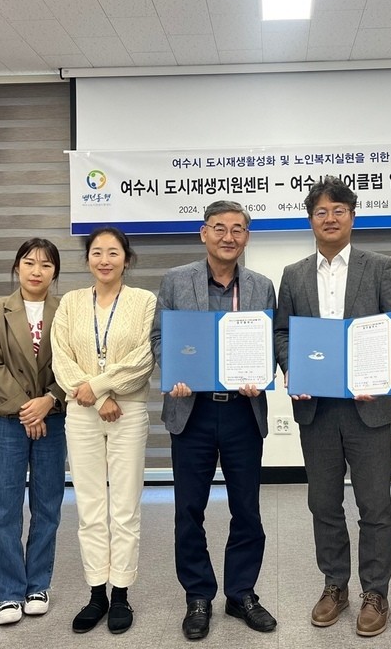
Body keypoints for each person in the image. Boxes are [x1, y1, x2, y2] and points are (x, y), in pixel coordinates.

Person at [273, 177, 391, 638]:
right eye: (321, 212)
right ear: (310, 219)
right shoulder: (294, 274)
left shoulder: (380, 266)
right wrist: (294, 367)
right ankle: (335, 585)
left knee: (375, 504)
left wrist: (375, 369)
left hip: (366, 407)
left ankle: (376, 592)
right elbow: (283, 332)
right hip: (317, 408)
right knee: (323, 503)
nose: (330, 218)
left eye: (339, 210)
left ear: (352, 216)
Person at [151, 200, 278, 641]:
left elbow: (269, 340)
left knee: (247, 509)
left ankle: (241, 593)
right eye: (219, 228)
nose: (229, 236)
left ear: (247, 236)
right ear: (203, 233)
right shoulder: (175, 280)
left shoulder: (261, 286)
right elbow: (159, 336)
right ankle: (198, 596)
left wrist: (262, 375)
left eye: (237, 229)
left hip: (243, 411)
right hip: (193, 410)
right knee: (189, 509)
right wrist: (173, 372)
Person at [51, 227, 155, 636]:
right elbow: (61, 358)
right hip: (82, 412)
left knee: (125, 507)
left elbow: (143, 359)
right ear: (87, 259)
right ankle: (96, 593)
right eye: (97, 252)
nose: (105, 260)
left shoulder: (144, 300)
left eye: (113, 252)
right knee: (90, 506)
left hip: (128, 410)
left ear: (126, 259)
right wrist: (95, 397)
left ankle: (122, 593)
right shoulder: (71, 302)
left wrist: (100, 387)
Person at [0, 238, 66, 626]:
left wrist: (48, 400)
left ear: (55, 272)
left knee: (48, 505)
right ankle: (8, 592)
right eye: (29, 262)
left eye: (46, 265)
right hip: (6, 419)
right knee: (6, 506)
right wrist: (28, 410)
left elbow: (74, 362)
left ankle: (38, 585)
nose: (36, 271)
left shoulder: (66, 310)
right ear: (17, 267)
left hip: (54, 416)